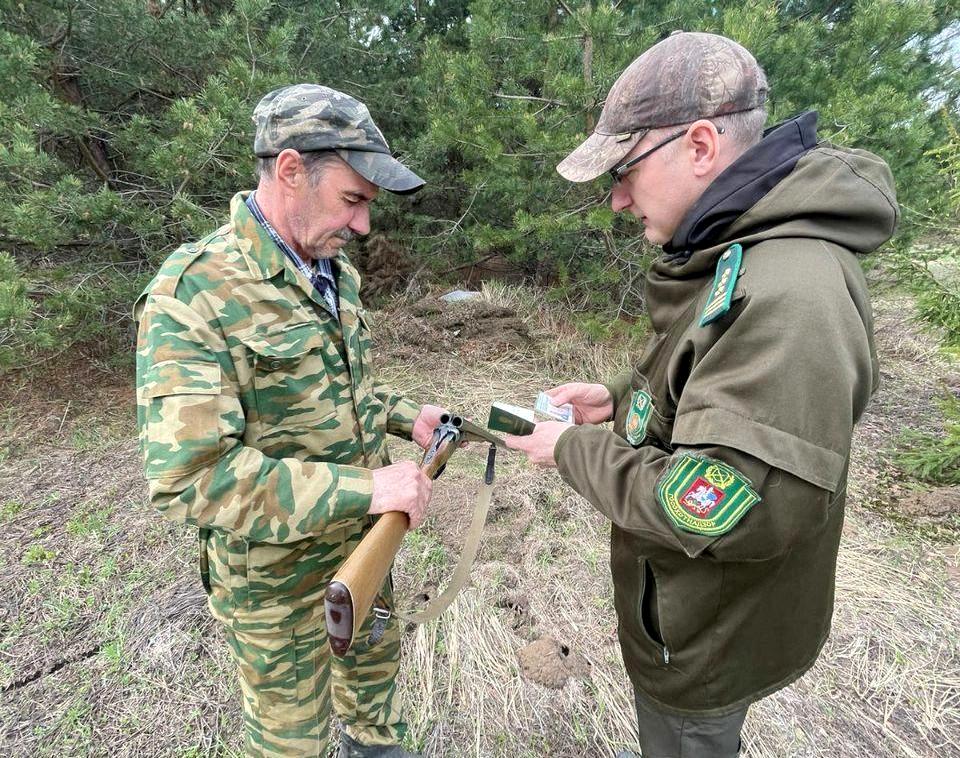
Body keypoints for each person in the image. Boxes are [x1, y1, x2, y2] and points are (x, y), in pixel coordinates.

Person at [506, 31, 898, 757]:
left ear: (698, 146)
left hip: (705, 640)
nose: (617, 200)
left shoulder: (789, 290)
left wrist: (571, 449)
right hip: (692, 617)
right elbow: (707, 384)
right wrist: (618, 400)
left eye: (623, 170)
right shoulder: (741, 249)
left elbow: (714, 508)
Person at [135, 84, 445, 758]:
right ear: (290, 170)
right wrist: (371, 490)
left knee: (375, 701)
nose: (363, 226)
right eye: (353, 200)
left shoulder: (333, 271)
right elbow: (193, 478)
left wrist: (401, 416)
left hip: (364, 552)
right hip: (278, 591)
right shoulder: (194, 293)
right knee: (292, 744)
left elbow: (342, 386)